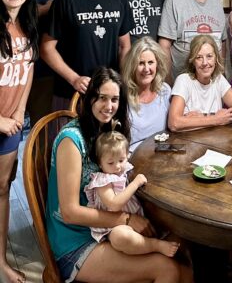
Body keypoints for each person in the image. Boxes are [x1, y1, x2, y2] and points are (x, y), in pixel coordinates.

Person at [45, 67, 192, 283]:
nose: (109, 106)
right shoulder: (71, 140)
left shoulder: (106, 132)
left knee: (183, 249)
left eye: (114, 99)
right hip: (76, 241)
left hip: (104, 228)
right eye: (102, 98)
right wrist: (126, 219)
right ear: (90, 98)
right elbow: (70, 212)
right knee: (167, 269)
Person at [41, 0, 132, 108]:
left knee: (107, 136)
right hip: (70, 93)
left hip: (109, 94)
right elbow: (47, 48)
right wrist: (74, 78)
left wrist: (123, 80)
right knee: (70, 135)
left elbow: (124, 46)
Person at [0, 0, 72, 126]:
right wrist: (42, 8)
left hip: (45, 65)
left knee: (41, 128)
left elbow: (63, 16)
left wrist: (20, 8)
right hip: (7, 69)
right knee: (7, 126)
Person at [84, 125, 179, 257]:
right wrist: (135, 183)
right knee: (120, 237)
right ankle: (154, 245)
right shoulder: (102, 181)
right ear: (100, 163)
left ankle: (149, 241)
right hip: (113, 225)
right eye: (110, 163)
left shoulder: (125, 169)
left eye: (121, 160)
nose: (117, 166)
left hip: (137, 217)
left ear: (127, 156)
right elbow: (114, 204)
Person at [0, 0, 38, 283]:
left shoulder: (26, 27)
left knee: (2, 190)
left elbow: (28, 72)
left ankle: (0, 261)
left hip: (11, 127)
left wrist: (19, 112)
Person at [158, 0, 226, 81]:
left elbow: (222, 40)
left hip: (212, 80)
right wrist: (168, 81)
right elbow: (164, 44)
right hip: (183, 79)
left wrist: (221, 73)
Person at [168, 34, 232, 132]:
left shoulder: (218, 79)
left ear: (216, 59)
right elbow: (174, 123)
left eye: (209, 56)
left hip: (214, 141)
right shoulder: (183, 80)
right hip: (190, 143)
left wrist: (201, 118)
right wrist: (216, 119)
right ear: (193, 61)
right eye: (199, 57)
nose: (205, 63)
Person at [122, 36, 171, 152]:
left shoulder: (165, 91)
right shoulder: (123, 95)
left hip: (161, 154)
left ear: (157, 65)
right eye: (141, 63)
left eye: (150, 62)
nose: (146, 69)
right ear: (132, 66)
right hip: (131, 157)